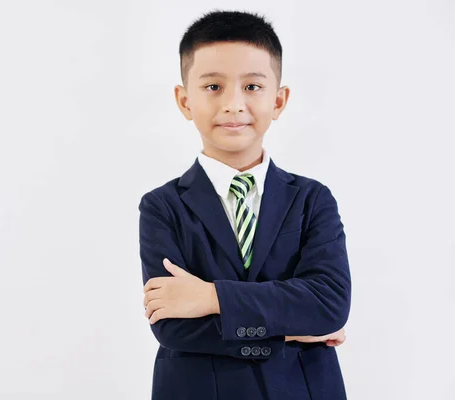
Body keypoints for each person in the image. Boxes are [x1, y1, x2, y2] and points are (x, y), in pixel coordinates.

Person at [138, 9, 352, 400]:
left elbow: (329, 304)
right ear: (184, 101)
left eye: (252, 87)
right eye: (213, 87)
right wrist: (290, 329)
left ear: (279, 100)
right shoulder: (161, 207)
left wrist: (211, 298)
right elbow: (172, 325)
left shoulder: (312, 199)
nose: (234, 104)